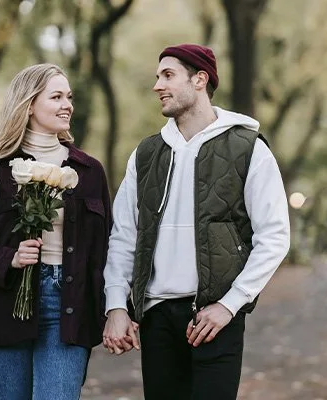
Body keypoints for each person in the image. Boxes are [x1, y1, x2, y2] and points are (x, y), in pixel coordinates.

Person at [101, 44, 291, 399]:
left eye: (168, 75)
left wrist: (230, 304)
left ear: (200, 80)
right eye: (157, 77)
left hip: (214, 318)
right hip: (156, 317)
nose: (157, 85)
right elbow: (124, 235)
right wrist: (115, 305)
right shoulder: (146, 154)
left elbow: (274, 236)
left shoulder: (248, 148)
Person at [0, 63, 112, 400]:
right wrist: (10, 258)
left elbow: (107, 250)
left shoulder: (89, 172)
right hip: (7, 308)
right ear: (28, 105)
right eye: (56, 97)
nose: (67, 105)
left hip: (68, 307)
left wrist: (116, 309)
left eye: (69, 97)